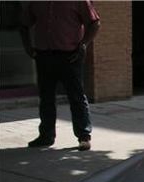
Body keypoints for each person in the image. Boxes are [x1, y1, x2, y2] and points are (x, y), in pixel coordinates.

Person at [20, 1, 101, 151]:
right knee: (46, 97)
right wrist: (27, 47)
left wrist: (84, 44)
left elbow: (94, 23)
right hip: (44, 55)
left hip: (70, 55)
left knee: (76, 96)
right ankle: (46, 135)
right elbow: (24, 24)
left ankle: (84, 136)